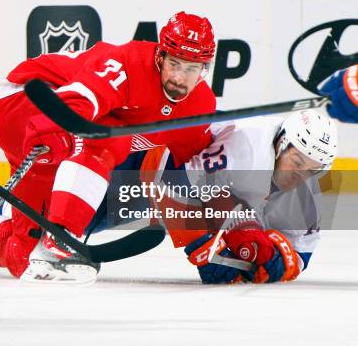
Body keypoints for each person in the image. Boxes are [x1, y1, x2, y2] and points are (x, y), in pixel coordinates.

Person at [0, 11, 218, 284]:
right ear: (160, 56)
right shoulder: (126, 65)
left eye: (192, 69)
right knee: (103, 135)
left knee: (25, 256)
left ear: (204, 70)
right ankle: (61, 236)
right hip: (41, 97)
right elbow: (78, 101)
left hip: (49, 130)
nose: (180, 78)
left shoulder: (199, 106)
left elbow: (197, 168)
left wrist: (224, 231)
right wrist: (58, 130)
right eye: (175, 64)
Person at [144, 109, 338, 284]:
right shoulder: (247, 147)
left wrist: (277, 263)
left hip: (198, 183)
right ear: (281, 144)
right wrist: (201, 245)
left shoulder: (306, 193)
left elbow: (300, 254)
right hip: (145, 152)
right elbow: (171, 177)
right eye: (297, 161)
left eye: (312, 170)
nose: (300, 175)